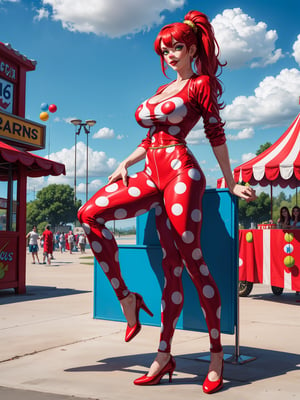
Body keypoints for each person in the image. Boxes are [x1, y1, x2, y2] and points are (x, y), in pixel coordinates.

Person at [78, 10, 256, 394]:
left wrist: (229, 181)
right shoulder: (161, 92)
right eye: (166, 49)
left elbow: (214, 131)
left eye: (177, 47)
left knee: (187, 259)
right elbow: (150, 138)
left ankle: (212, 355)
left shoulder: (199, 85)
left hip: (181, 172)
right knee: (89, 214)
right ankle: (128, 300)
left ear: (192, 47)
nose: (171, 54)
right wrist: (125, 163)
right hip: (150, 171)